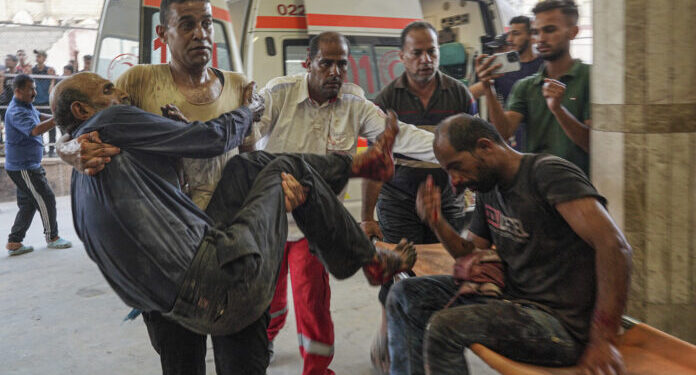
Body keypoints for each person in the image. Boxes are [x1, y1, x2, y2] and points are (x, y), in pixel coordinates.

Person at [51, 70, 415, 344]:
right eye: (108, 90)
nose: (122, 92)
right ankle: (370, 257)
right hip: (216, 282)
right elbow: (212, 137)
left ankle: (363, 166)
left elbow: (167, 195)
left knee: (246, 166)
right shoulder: (113, 116)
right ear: (167, 32)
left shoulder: (85, 178)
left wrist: (175, 138)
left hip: (180, 297)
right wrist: (248, 110)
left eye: (207, 24)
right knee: (281, 171)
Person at [56, 1, 273, 373]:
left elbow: (249, 158)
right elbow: (92, 118)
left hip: (232, 249)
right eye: (186, 24)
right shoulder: (137, 82)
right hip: (170, 257)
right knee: (182, 363)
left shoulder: (239, 85)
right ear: (163, 34)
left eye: (206, 23)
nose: (200, 33)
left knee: (244, 361)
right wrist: (68, 148)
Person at [386, 113, 632, 375]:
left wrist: (604, 339)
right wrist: (437, 223)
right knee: (404, 294)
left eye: (456, 166)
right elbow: (470, 253)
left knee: (444, 327)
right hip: (513, 304)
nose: (454, 181)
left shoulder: (547, 173)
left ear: (485, 146)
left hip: (560, 326)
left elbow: (614, 247)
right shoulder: (488, 187)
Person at [256, 31, 438, 375]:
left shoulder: (355, 103)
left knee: (313, 303)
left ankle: (317, 369)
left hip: (314, 226)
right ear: (308, 64)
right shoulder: (278, 93)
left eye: (342, 63)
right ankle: (266, 337)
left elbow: (405, 137)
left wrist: (451, 149)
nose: (335, 72)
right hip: (270, 220)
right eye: (326, 63)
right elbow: (248, 130)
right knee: (269, 298)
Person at [358, 21, 477, 374]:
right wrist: (368, 216)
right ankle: (387, 329)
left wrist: (471, 194)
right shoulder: (385, 101)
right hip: (397, 201)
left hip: (448, 201)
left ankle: (433, 342)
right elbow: (376, 165)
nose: (426, 60)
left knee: (444, 272)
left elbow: (473, 152)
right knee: (398, 270)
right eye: (418, 53)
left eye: (432, 52)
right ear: (402, 57)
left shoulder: (459, 95)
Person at [476, 0, 590, 174]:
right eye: (537, 32)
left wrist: (558, 110)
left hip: (579, 185)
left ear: (573, 32)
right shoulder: (525, 86)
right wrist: (488, 87)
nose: (541, 38)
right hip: (535, 185)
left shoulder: (590, 78)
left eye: (550, 30)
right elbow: (504, 133)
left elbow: (594, 145)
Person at [4, 74, 72, 256]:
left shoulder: (25, 106)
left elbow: (39, 116)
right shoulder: (16, 111)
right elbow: (34, 130)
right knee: (46, 198)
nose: (34, 92)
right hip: (23, 167)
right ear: (18, 91)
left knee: (28, 204)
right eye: (30, 89)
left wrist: (56, 117)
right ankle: (53, 237)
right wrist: (57, 119)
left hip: (26, 164)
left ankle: (14, 242)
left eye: (34, 88)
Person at [469, 16, 543, 150]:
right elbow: (471, 93)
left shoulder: (545, 65)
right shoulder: (503, 69)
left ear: (531, 35)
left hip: (542, 138)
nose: (509, 39)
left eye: (516, 34)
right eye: (509, 34)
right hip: (514, 139)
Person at [31, 49, 57, 157]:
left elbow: (52, 86)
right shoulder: (32, 70)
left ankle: (51, 149)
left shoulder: (49, 70)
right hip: (36, 103)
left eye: (40, 56)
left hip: (47, 102)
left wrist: (52, 79)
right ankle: (41, 149)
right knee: (38, 126)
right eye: (37, 56)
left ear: (44, 58)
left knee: (52, 125)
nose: (38, 58)